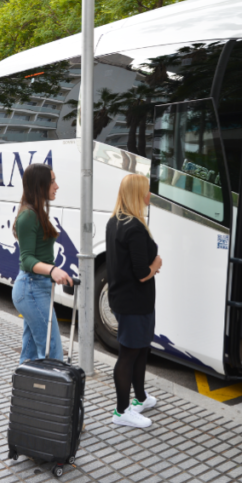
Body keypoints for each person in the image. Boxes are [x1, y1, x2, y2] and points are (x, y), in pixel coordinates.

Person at [105, 174, 162, 428]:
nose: (150, 195)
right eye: (147, 191)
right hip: (134, 302)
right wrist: (156, 264)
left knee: (140, 349)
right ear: (138, 194)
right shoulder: (135, 228)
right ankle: (121, 411)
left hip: (123, 298)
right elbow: (141, 273)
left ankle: (139, 398)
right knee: (129, 354)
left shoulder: (114, 221)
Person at [12, 163, 73, 364]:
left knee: (29, 355)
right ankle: (51, 393)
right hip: (31, 288)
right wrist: (53, 270)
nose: (57, 186)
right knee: (52, 351)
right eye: (52, 181)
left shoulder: (36, 213)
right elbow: (27, 259)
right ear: (41, 185)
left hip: (35, 288)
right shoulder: (29, 215)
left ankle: (25, 393)